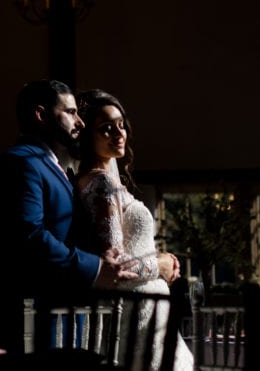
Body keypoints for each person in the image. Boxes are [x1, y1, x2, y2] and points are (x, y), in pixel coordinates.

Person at [0, 78, 138, 356]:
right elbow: (29, 236)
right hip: (36, 318)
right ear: (40, 115)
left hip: (63, 315)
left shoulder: (59, 170)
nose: (79, 122)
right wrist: (94, 267)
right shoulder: (22, 163)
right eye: (70, 112)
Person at [73, 88, 193, 370]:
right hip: (137, 310)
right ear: (88, 136)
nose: (119, 133)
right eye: (106, 128)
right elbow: (116, 268)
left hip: (151, 310)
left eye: (121, 124)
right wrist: (161, 264)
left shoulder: (107, 182)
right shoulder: (101, 184)